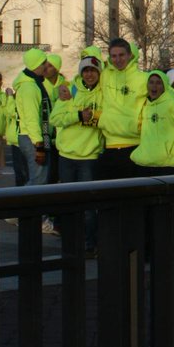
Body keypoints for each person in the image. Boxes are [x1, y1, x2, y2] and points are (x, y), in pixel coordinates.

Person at [51, 55, 104, 254]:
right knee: (69, 202)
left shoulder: (104, 94)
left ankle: (89, 244)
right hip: (67, 156)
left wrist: (90, 118)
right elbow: (55, 119)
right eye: (86, 71)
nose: (89, 75)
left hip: (89, 157)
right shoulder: (70, 90)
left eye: (93, 71)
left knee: (89, 206)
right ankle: (71, 243)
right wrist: (78, 116)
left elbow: (105, 119)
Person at [97, 38, 148, 180]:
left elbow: (167, 95)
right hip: (110, 145)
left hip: (134, 144)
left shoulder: (143, 78)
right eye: (114, 56)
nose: (118, 60)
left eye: (121, 55)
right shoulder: (104, 75)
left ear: (130, 55)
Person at [132, 70, 174, 175]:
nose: (154, 86)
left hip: (165, 166)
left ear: (164, 86)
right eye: (151, 82)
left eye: (158, 83)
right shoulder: (144, 104)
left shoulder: (172, 103)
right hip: (142, 163)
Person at [12, 48, 55, 193]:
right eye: (44, 63)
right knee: (38, 180)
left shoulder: (32, 83)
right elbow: (31, 118)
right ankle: (22, 204)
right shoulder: (30, 87)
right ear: (36, 65)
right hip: (33, 138)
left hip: (34, 136)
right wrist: (39, 145)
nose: (46, 65)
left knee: (40, 178)